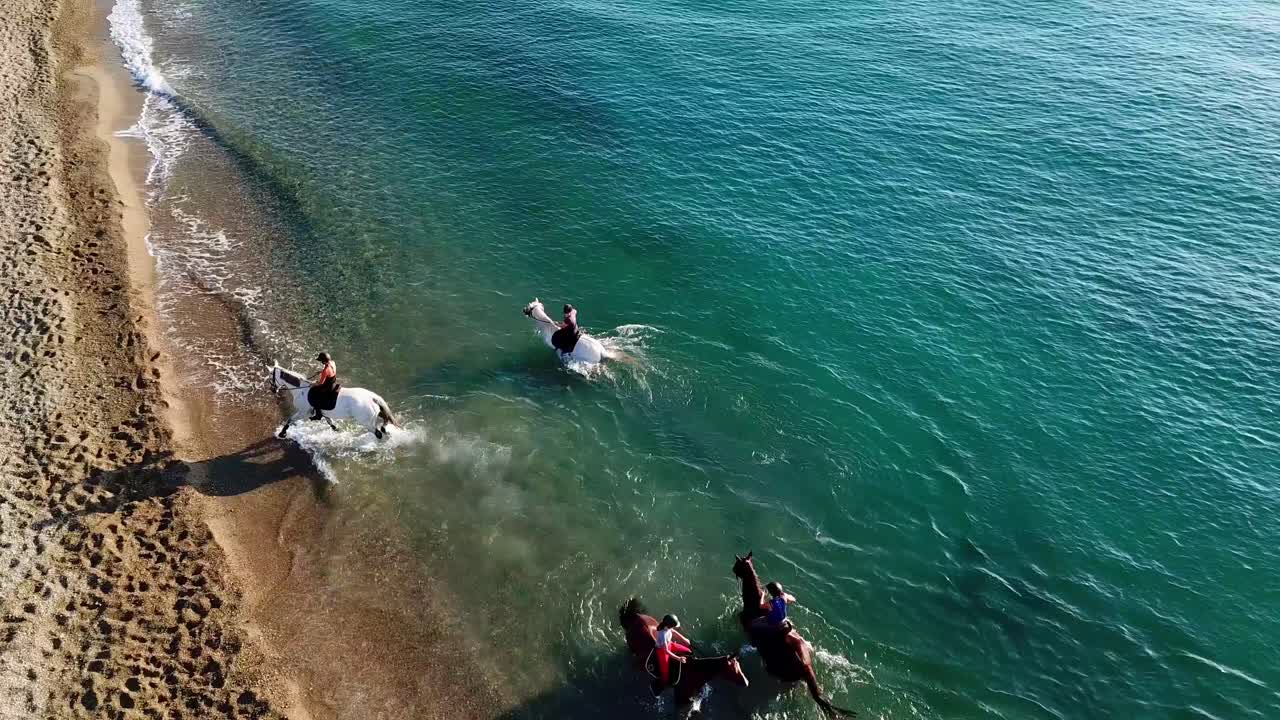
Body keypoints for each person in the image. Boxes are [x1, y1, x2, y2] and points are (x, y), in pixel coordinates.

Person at [653, 614, 692, 692]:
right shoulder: (662, 634)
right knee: (665, 675)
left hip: (670, 644)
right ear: (670, 625)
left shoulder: (667, 626)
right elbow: (666, 651)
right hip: (662, 651)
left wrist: (684, 639)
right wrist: (679, 658)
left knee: (688, 651)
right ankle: (663, 684)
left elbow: (673, 631)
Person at [310, 352, 337, 420]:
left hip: (328, 386)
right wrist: (321, 372)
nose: (321, 362)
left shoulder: (325, 370)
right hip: (333, 381)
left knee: (315, 395)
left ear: (323, 361)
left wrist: (313, 384)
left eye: (321, 361)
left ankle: (318, 415)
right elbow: (330, 371)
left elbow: (321, 383)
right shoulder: (332, 362)